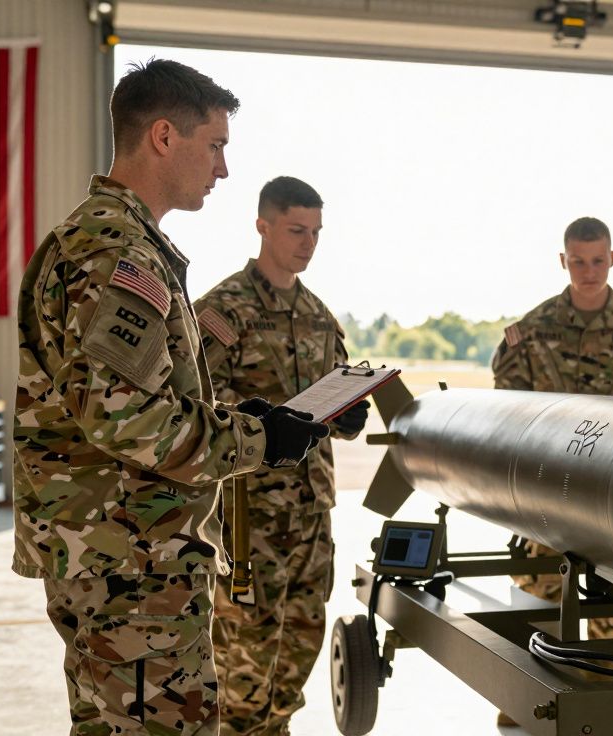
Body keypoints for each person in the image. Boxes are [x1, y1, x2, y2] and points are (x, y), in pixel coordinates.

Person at [12, 60, 328, 736]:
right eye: (214, 146)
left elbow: (135, 398)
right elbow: (123, 417)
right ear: (163, 136)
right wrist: (257, 441)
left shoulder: (124, 243)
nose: (222, 169)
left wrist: (248, 419)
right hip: (131, 567)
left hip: (121, 558)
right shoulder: (112, 249)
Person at [489, 216, 613, 728]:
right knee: (532, 619)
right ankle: (524, 717)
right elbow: (505, 414)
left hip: (611, 505)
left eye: (598, 260)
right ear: (563, 260)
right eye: (578, 261)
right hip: (541, 502)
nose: (588, 271)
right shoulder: (531, 331)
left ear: (612, 258)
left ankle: (611, 718)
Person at [195, 176, 369, 735]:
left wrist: (347, 418)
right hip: (251, 518)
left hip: (312, 515)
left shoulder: (321, 317)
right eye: (297, 230)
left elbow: (332, 404)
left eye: (316, 232)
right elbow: (196, 407)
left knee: (298, 649)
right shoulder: (224, 311)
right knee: (243, 662)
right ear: (263, 226)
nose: (308, 243)